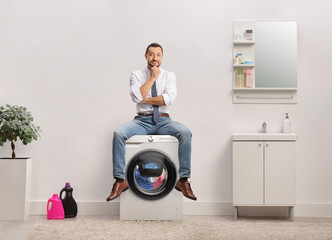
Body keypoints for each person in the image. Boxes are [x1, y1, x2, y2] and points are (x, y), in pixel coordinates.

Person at [106, 43, 197, 201]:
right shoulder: (136, 75)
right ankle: (120, 181)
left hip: (163, 120)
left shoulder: (170, 76)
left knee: (185, 133)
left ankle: (183, 181)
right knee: (119, 134)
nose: (155, 58)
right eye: (151, 54)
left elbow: (168, 100)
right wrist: (152, 78)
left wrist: (144, 98)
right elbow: (136, 97)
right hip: (142, 120)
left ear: (162, 57)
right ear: (146, 56)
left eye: (158, 54)